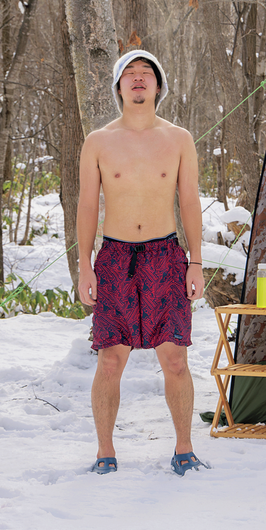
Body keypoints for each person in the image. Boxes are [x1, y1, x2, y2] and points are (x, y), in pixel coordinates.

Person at [76, 50, 208, 476]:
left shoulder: (178, 139)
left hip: (166, 256)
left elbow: (189, 201)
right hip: (114, 258)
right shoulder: (98, 141)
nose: (137, 80)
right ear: (118, 87)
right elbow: (86, 206)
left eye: (146, 74)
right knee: (110, 360)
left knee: (175, 359)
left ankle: (184, 449)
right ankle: (104, 453)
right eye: (129, 74)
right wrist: (84, 264)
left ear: (158, 86)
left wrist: (196, 261)